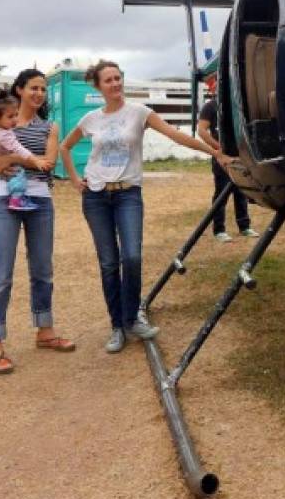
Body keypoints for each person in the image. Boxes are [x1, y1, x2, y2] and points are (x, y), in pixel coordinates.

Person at [60, 60, 229, 354]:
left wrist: (216, 152)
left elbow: (176, 136)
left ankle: (131, 319)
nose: (115, 84)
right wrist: (75, 179)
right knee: (109, 262)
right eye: (108, 80)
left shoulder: (139, 113)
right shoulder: (90, 119)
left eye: (118, 78)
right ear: (98, 86)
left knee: (133, 256)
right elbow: (65, 146)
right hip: (97, 196)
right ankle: (117, 325)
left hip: (128, 194)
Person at [0, 68, 75, 375]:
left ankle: (44, 331)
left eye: (43, 90)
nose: (39, 94)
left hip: (40, 199)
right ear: (19, 90)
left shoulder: (50, 126)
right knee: (1, 273)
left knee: (43, 270)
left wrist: (12, 159)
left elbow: (47, 165)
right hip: (0, 199)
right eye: (33, 87)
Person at [198, 76, 259, 243]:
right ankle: (219, 229)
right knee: (221, 193)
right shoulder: (210, 107)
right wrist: (218, 149)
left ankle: (244, 226)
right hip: (221, 158)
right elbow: (202, 131)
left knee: (241, 191)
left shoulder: (236, 106)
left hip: (239, 156)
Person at [0, 89, 49, 211]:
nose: (15, 119)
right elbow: (20, 149)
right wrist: (36, 161)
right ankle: (16, 199)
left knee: (10, 172)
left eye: (16, 114)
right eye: (10, 116)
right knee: (18, 173)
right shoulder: (4, 134)